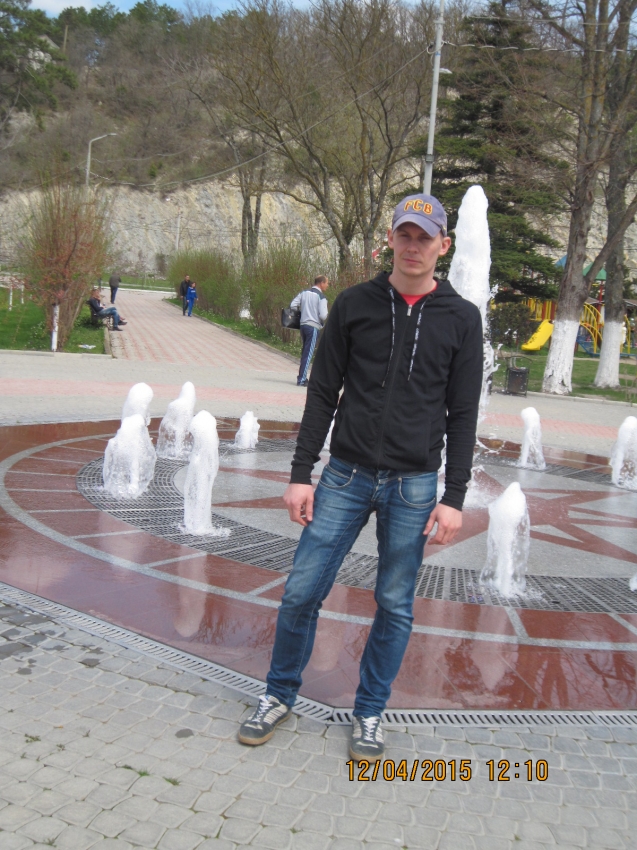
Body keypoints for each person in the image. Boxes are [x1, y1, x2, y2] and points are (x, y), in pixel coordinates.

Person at [238, 194, 483, 761]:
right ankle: (278, 694)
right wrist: (301, 473)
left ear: (443, 245)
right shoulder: (354, 304)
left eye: (425, 237)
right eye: (405, 235)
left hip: (414, 485)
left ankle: (370, 711)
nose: (414, 246)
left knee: (394, 604)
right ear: (390, 240)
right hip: (345, 475)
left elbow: (463, 413)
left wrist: (454, 496)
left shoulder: (462, 318)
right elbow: (323, 392)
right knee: (302, 590)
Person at [290, 275, 329, 386]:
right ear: (321, 283)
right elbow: (323, 315)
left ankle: (301, 376)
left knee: (305, 352)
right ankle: (302, 380)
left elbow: (293, 305)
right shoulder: (321, 297)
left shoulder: (304, 293)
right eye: (326, 283)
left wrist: (302, 313)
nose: (327, 285)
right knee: (308, 353)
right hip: (313, 327)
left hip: (303, 325)